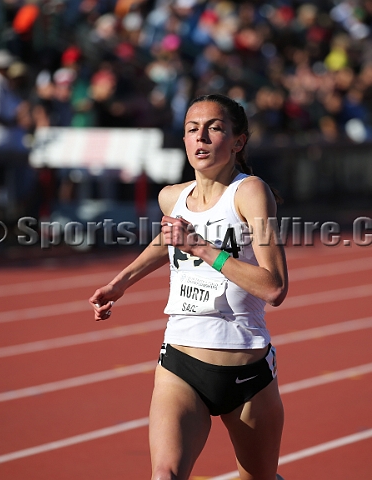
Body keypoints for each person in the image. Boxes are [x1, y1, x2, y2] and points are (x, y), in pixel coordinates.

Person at [89, 93, 288, 480]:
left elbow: (274, 287)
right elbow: (166, 241)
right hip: (181, 364)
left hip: (245, 371)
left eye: (214, 129)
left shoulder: (250, 193)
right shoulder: (172, 197)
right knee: (165, 475)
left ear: (237, 141)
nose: (201, 138)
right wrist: (120, 283)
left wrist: (201, 246)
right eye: (192, 130)